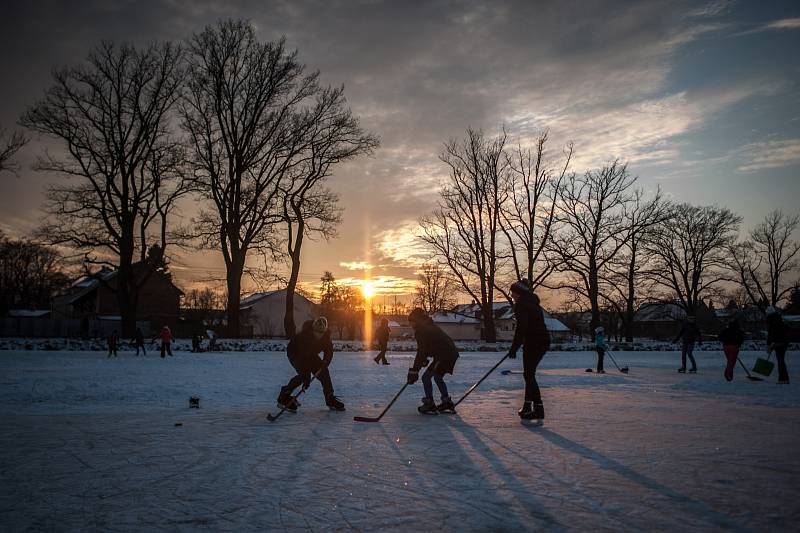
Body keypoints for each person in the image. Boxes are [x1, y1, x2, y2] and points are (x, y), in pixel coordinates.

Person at [277, 317, 345, 412]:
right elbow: (304, 358)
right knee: (304, 376)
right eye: (316, 332)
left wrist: (325, 362)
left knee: (324, 373)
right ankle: (284, 396)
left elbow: (329, 351)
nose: (318, 335)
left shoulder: (326, 336)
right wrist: (307, 379)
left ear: (324, 331)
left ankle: (330, 398)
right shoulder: (304, 336)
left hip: (311, 354)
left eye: (321, 333)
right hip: (295, 353)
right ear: (313, 329)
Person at [507, 279, 551, 420]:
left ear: (519, 292)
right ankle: (527, 406)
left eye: (513, 292)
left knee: (529, 375)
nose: (511, 295)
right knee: (529, 374)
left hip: (534, 342)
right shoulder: (533, 303)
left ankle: (538, 408)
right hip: (541, 341)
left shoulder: (521, 305)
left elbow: (522, 328)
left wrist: (514, 348)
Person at [406, 308, 459, 414]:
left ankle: (429, 403)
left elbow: (422, 350)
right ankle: (446, 401)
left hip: (444, 356)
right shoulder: (428, 326)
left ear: (416, 320)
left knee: (426, 378)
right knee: (437, 377)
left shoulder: (421, 330)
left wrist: (414, 371)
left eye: (411, 322)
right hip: (450, 354)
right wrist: (424, 360)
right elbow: (430, 346)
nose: (410, 325)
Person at [766, 306, 790, 384]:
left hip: (778, 343)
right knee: (781, 361)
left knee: (780, 361)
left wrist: (769, 345)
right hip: (783, 343)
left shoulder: (772, 321)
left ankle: (782, 379)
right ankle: (784, 378)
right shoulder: (780, 320)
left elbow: (771, 334)